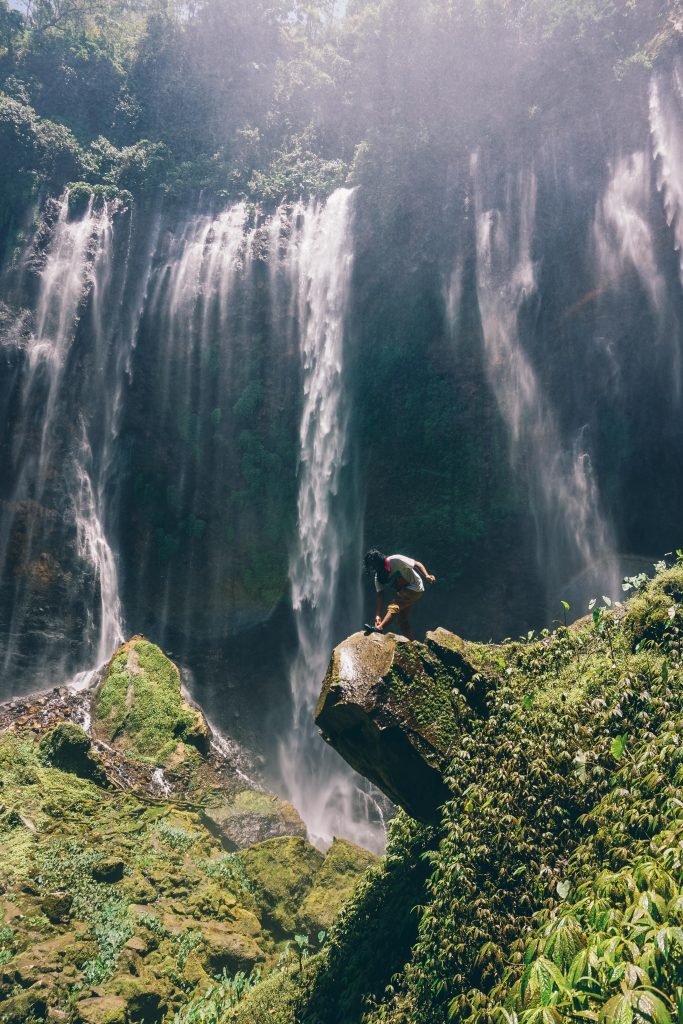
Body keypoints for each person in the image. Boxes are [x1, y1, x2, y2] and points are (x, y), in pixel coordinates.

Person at [363, 548, 436, 641]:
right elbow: (379, 595)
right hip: (405, 592)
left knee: (394, 605)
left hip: (415, 586)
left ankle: (379, 628)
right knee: (402, 620)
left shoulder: (395, 560)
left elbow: (417, 564)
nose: (375, 569)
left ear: (380, 561)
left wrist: (427, 575)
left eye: (375, 566)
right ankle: (412, 643)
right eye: (373, 567)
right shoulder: (379, 577)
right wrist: (377, 615)